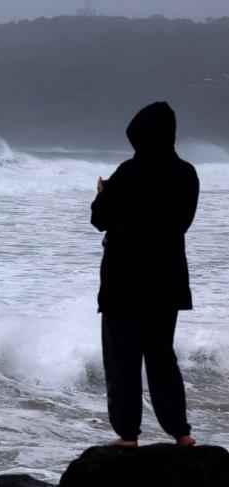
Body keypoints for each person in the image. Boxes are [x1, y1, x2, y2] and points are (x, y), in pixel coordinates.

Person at [91, 101, 199, 448]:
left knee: (123, 359)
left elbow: (100, 219)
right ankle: (181, 433)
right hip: (167, 279)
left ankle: (127, 435)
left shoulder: (129, 172)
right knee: (161, 355)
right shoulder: (187, 173)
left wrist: (104, 194)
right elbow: (181, 222)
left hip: (124, 278)